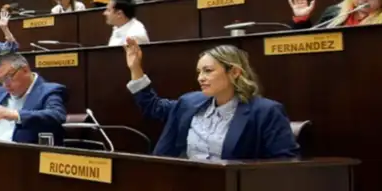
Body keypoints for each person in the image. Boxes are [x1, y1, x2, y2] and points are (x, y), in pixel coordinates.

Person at [123, 37, 299, 159]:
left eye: (208, 71)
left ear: (234, 72)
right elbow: (153, 107)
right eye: (199, 72)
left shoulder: (266, 112)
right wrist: (135, 69)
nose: (200, 78)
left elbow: (285, 163)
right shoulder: (189, 103)